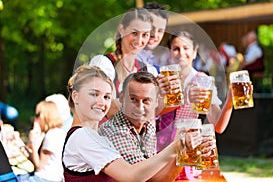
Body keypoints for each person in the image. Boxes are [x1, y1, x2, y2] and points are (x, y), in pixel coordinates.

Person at [62, 64, 203, 182]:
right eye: (94, 94)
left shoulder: (93, 136)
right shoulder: (83, 136)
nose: (101, 102)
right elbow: (132, 176)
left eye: (106, 97)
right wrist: (176, 147)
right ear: (76, 96)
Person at [156, 31, 234, 180]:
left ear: (194, 52)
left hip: (187, 149)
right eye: (176, 48)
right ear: (170, 52)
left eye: (186, 48)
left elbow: (218, 126)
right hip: (160, 149)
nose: (181, 53)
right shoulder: (163, 78)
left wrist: (230, 101)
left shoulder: (203, 81)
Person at [89, 7, 158, 118]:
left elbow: (155, 111)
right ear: (121, 29)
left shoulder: (149, 70)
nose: (139, 41)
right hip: (105, 134)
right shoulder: (104, 64)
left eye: (145, 34)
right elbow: (101, 105)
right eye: (134, 33)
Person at [25, 100, 66, 182]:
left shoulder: (51, 136)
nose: (35, 118)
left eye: (37, 115)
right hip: (55, 178)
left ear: (44, 116)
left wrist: (32, 142)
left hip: (45, 178)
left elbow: (39, 166)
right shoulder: (59, 132)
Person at [136, 2, 169, 71]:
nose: (155, 35)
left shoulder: (152, 62)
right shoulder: (130, 60)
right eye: (151, 28)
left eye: (160, 31)